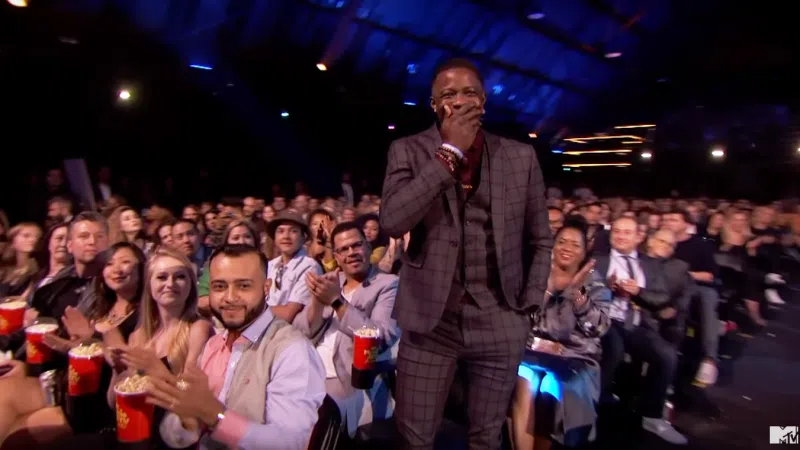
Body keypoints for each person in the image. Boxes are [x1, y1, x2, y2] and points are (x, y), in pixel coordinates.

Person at [380, 57, 552, 449]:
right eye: (448, 95)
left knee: (486, 438)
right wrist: (448, 153)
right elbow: (392, 221)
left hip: (500, 318)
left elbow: (541, 240)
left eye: (469, 93)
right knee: (414, 438)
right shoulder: (407, 150)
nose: (459, 102)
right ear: (434, 104)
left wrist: (527, 308)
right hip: (430, 324)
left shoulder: (519, 157)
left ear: (484, 101)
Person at [150, 245, 326, 450]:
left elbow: (290, 443)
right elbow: (176, 437)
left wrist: (216, 416)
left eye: (243, 286)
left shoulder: (291, 350)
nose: (230, 297)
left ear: (266, 288)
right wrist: (184, 415)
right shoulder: (213, 346)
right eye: (219, 286)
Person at [510, 220, 611, 449]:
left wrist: (577, 296)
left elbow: (599, 328)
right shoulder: (536, 275)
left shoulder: (594, 282)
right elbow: (522, 320)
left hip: (574, 356)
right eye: (562, 242)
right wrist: (548, 289)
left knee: (551, 385)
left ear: (584, 252)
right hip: (533, 350)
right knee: (524, 378)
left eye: (575, 245)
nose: (567, 248)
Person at [295, 221, 400, 437]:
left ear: (368, 247)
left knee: (313, 420)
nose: (351, 253)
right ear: (336, 256)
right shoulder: (333, 281)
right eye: (343, 249)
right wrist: (317, 301)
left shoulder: (387, 284)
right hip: (308, 369)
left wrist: (336, 301)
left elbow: (379, 337)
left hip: (346, 378)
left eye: (356, 245)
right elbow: (303, 331)